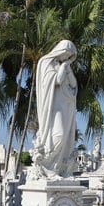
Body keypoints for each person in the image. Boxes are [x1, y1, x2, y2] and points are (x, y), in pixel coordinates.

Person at [30, 40, 78, 179]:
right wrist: (64, 66)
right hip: (54, 106)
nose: (68, 57)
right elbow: (57, 80)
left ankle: (59, 169)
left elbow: (73, 85)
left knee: (67, 138)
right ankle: (47, 168)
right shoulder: (46, 62)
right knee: (59, 135)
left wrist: (67, 68)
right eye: (66, 53)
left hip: (66, 105)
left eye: (70, 55)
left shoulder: (64, 65)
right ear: (60, 50)